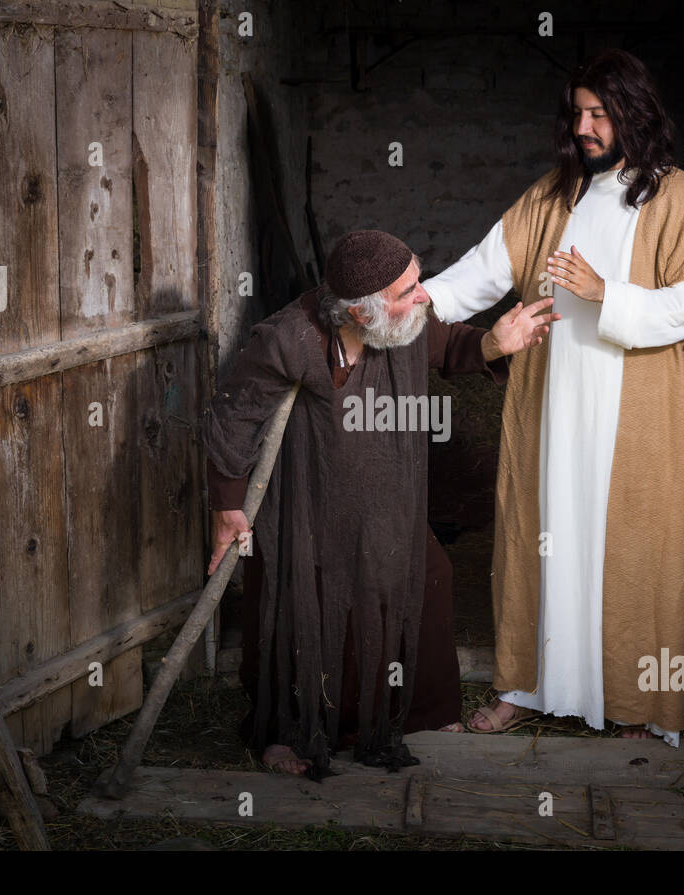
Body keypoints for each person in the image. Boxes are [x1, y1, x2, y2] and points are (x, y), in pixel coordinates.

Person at [423, 49, 684, 745]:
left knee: (630, 551)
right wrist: (408, 300)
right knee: (544, 541)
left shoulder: (675, 196)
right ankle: (527, 688)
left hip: (635, 413)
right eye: (578, 112)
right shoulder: (551, 196)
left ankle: (634, 701)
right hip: (554, 409)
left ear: (634, 113)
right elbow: (478, 273)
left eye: (600, 112)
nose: (586, 125)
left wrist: (604, 293)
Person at [201, 229, 558, 777]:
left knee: (428, 575)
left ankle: (417, 712)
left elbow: (448, 344)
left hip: (390, 497)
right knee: (305, 605)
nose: (423, 296)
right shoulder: (289, 340)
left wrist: (493, 342)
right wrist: (228, 507)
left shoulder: (409, 323)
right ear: (363, 314)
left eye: (417, 282)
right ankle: (288, 730)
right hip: (311, 509)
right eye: (408, 290)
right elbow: (233, 416)